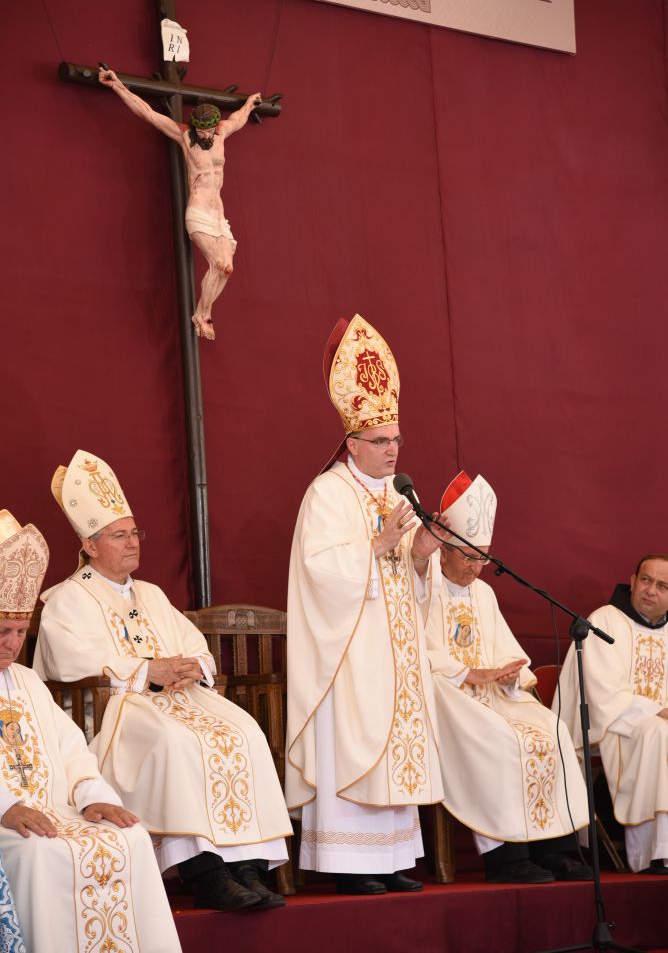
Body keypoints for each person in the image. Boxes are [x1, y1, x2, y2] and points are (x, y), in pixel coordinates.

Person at [33, 451, 292, 912]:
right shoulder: (67, 599)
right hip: (116, 711)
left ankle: (249, 867)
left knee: (244, 731)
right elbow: (68, 662)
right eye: (119, 535)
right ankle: (205, 872)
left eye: (135, 533)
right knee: (176, 741)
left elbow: (193, 644)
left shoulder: (150, 593)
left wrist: (195, 666)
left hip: (182, 699)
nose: (132, 543)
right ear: (90, 545)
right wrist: (147, 670)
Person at [286, 313, 445, 896]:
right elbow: (318, 573)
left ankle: (392, 857)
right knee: (355, 741)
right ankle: (347, 863)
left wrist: (421, 554)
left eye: (396, 439)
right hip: (348, 652)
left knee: (394, 744)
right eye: (381, 441)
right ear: (352, 443)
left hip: (397, 650)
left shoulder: (402, 492)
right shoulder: (327, 492)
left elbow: (413, 580)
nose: (392, 450)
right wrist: (375, 548)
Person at [0, 510, 182, 953]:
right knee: (39, 852)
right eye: (3, 630)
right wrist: (6, 807)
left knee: (131, 837)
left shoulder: (26, 680)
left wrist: (92, 796)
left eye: (21, 631)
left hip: (55, 811)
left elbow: (71, 749)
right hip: (9, 820)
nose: (14, 643)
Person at [426, 471, 590, 883]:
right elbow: (416, 651)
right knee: (501, 739)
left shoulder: (484, 593)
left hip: (496, 696)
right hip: (450, 695)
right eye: (468, 557)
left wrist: (508, 674)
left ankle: (556, 850)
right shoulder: (422, 587)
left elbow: (506, 649)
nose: (476, 568)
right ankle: (506, 858)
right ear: (442, 550)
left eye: (483, 558)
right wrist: (471, 673)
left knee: (552, 730)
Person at [98, 67, 261, 341]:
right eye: (202, 130)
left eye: (209, 130)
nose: (205, 135)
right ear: (195, 127)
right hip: (198, 212)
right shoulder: (186, 137)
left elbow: (239, 118)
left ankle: (202, 313)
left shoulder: (221, 133)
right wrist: (118, 86)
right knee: (218, 264)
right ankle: (204, 315)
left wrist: (250, 104)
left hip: (218, 215)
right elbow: (148, 114)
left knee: (227, 269)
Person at [555, 554, 668, 873]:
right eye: (646, 580)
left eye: (662, 586)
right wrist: (658, 711)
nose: (651, 590)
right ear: (632, 582)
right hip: (611, 724)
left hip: (649, 724)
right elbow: (603, 692)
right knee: (658, 732)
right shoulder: (604, 621)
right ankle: (653, 852)